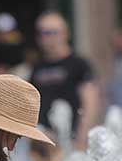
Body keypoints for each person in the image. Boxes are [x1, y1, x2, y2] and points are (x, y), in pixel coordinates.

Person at [30, 11, 100, 150]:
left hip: (71, 140)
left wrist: (80, 139)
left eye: (52, 32)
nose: (47, 38)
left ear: (65, 34)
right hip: (45, 142)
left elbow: (91, 104)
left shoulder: (79, 64)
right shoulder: (37, 67)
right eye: (42, 33)